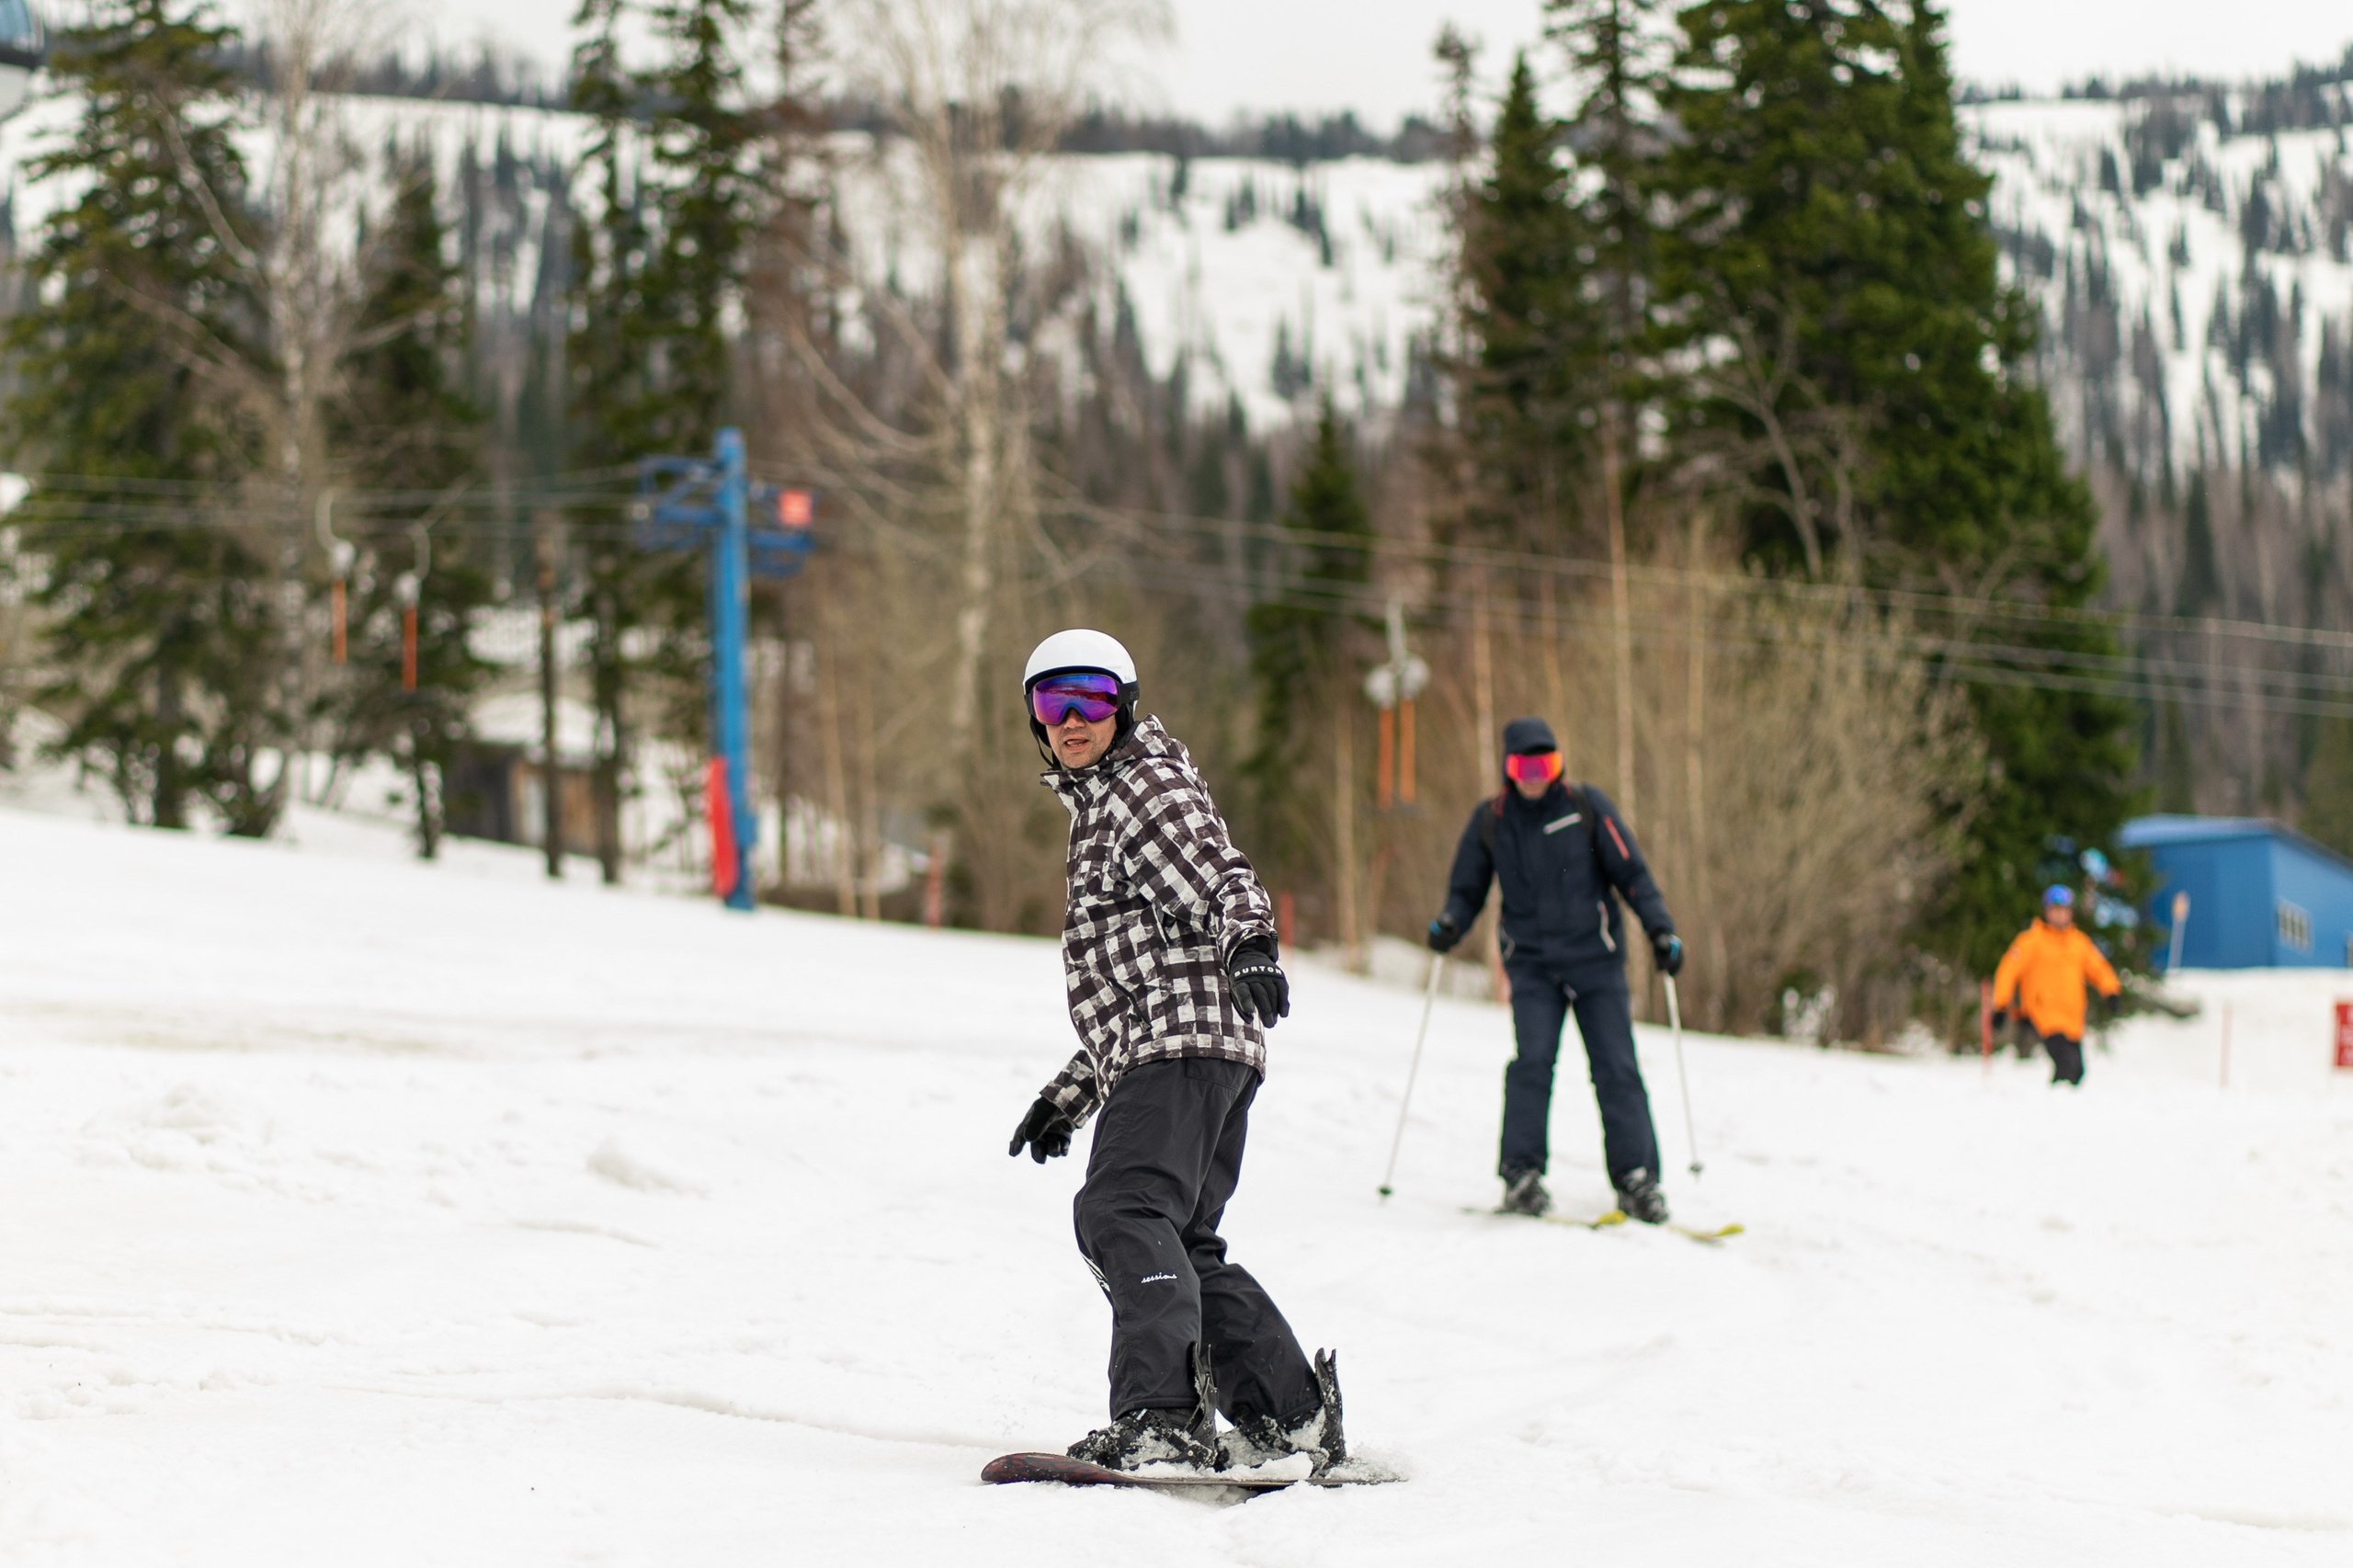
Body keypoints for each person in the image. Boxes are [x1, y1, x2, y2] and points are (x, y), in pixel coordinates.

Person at [1005, 628, 1346, 1476]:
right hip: (1192, 1043)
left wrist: (1251, 942)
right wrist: (1072, 1094)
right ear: (1037, 723)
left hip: (1184, 1044)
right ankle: (1286, 1416)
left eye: (1089, 699)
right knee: (1182, 1239)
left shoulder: (1139, 788)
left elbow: (1219, 872)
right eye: (1053, 703)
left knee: (1123, 1211)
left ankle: (1160, 1419)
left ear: (1124, 704)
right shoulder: (1105, 805)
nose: (1073, 720)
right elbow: (1141, 979)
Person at [1425, 717, 1685, 1223]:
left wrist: (1660, 930)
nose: (1535, 775)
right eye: (1525, 765)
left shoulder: (1587, 807)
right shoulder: (1492, 820)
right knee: (1532, 1064)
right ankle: (1521, 1177)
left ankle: (1638, 1180)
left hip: (1597, 963)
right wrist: (1451, 922)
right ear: (1508, 768)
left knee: (1616, 1067)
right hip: (1533, 967)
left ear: (1559, 765)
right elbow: (1466, 889)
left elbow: (1632, 874)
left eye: (1546, 764)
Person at [1991, 886, 2121, 1087]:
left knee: (2077, 1071)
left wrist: (2111, 991)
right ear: (2046, 911)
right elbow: (2008, 970)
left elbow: (2098, 968)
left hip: (2072, 1017)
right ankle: (2054, 1111)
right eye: (2055, 909)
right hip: (2044, 1014)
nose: (2059, 915)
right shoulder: (2031, 941)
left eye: (2064, 909)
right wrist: (2001, 1004)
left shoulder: (2078, 942)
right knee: (2066, 1066)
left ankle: (2057, 1107)